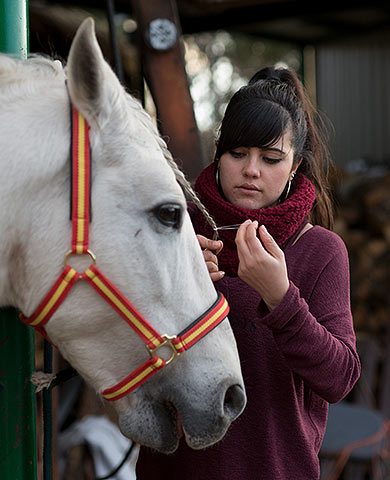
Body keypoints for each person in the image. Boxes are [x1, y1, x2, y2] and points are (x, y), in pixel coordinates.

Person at [136, 67, 360, 479]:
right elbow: (126, 358)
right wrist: (174, 293)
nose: (251, 169)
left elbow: (339, 378)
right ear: (218, 153)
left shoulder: (320, 251)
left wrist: (281, 298)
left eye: (271, 158)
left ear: (295, 166)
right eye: (237, 154)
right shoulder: (177, 231)